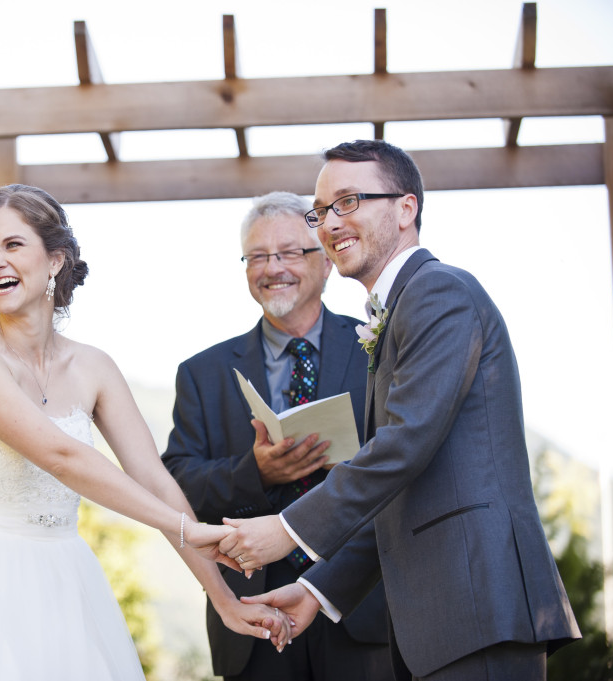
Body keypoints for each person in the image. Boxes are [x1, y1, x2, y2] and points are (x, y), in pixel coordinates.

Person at [0, 184, 288, 680]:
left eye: (13, 245)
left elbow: (155, 479)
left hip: (67, 583)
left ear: (55, 260)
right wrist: (190, 529)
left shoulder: (95, 366)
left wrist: (224, 601)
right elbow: (62, 456)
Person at [222, 140, 581, 680]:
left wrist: (289, 529)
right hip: (446, 621)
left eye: (349, 201)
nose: (329, 222)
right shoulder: (397, 313)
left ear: (406, 208)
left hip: (477, 601)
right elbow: (403, 488)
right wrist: (320, 589)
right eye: (321, 211)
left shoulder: (439, 292)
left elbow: (402, 446)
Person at [162, 191, 394, 681]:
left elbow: (404, 465)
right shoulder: (203, 373)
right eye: (258, 256)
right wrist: (256, 472)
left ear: (327, 262)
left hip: (360, 606)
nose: (273, 268)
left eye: (290, 252)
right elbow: (175, 486)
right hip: (253, 613)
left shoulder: (380, 351)